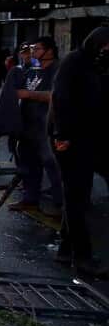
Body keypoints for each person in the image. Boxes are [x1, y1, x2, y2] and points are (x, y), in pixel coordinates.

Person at [49, 26, 109, 277]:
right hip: (72, 139)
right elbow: (61, 98)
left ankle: (66, 247)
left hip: (95, 138)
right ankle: (81, 257)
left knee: (77, 196)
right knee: (77, 196)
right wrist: (62, 136)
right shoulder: (75, 62)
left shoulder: (101, 67)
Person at [12, 36, 62, 217]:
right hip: (28, 126)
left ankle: (60, 205)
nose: (34, 52)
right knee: (28, 164)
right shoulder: (33, 69)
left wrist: (29, 94)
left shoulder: (57, 70)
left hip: (47, 127)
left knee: (52, 165)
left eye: (38, 49)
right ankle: (30, 199)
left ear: (49, 51)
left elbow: (55, 95)